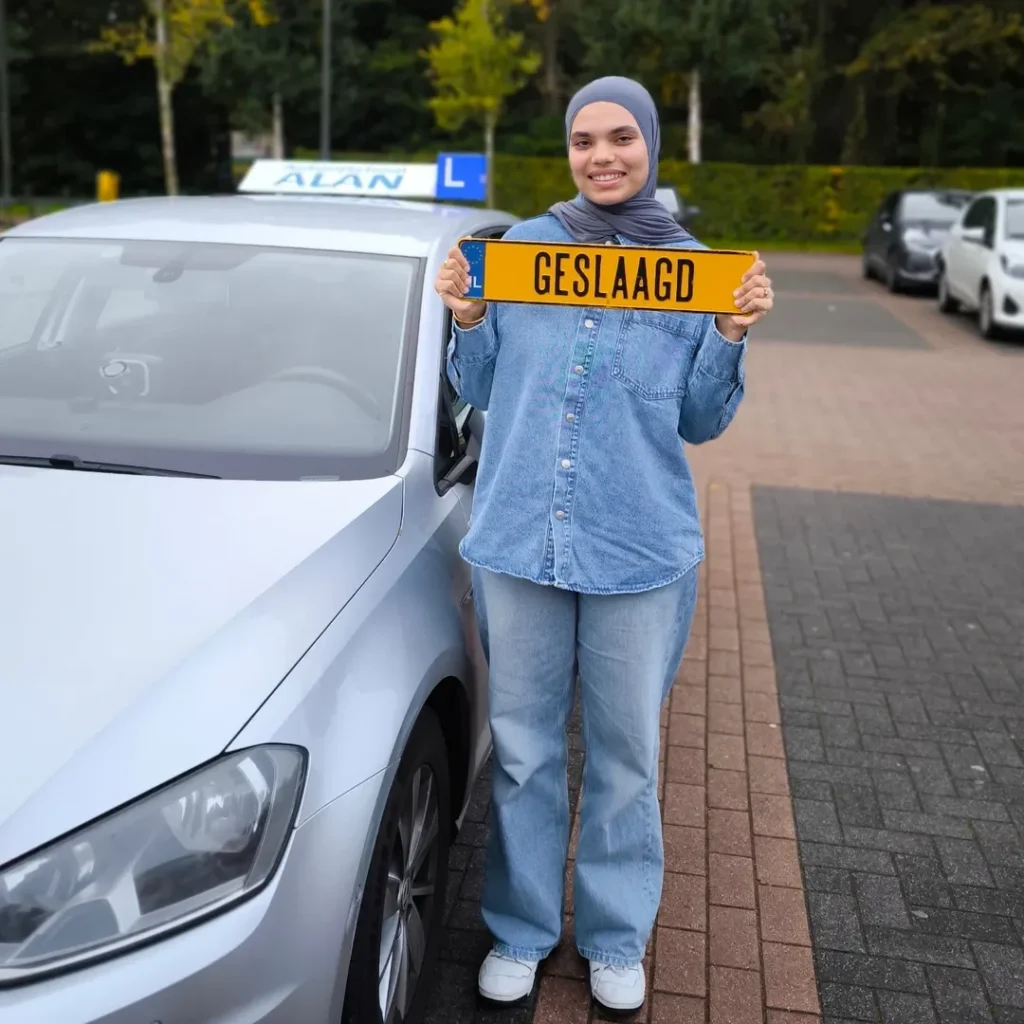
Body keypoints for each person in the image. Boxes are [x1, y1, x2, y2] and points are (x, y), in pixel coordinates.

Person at [434, 75, 774, 1016]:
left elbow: (702, 422)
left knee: (627, 755)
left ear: (651, 146)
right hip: (517, 539)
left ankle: (617, 937)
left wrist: (730, 335)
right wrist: (466, 320)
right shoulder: (519, 254)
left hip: (638, 546)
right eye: (585, 140)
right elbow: (488, 388)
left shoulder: (699, 272)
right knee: (526, 750)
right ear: (569, 152)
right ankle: (520, 929)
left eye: (621, 137)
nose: (603, 156)